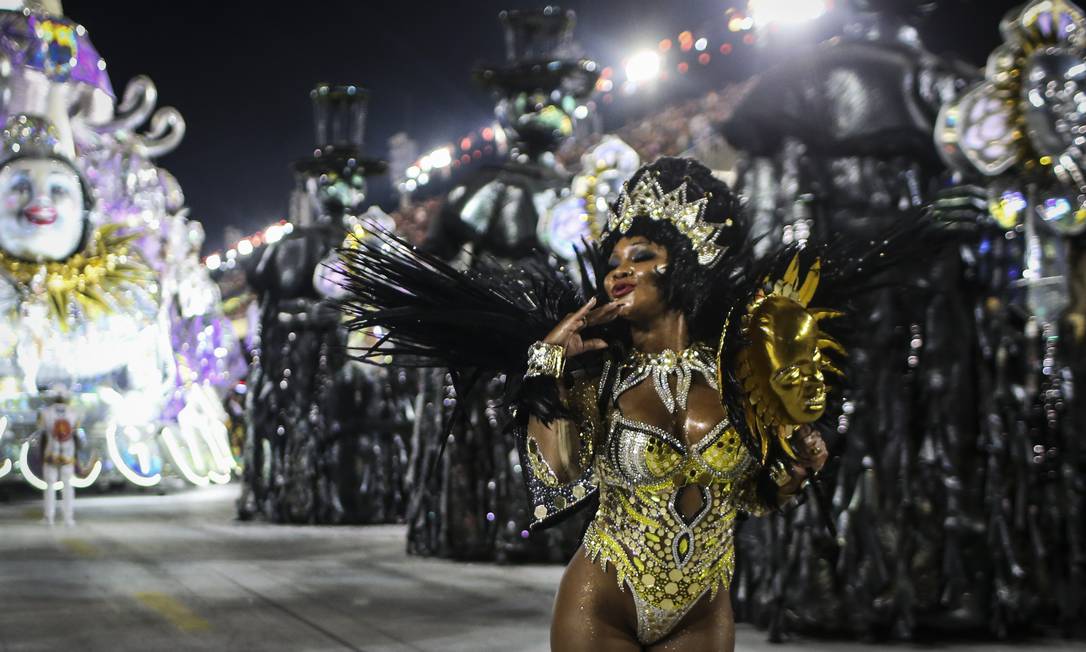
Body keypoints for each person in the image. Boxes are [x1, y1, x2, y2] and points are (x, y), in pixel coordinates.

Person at [338, 156, 923, 650]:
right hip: (603, 600)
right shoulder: (599, 375)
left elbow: (749, 495)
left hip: (705, 606)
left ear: (683, 262)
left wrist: (793, 474)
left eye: (640, 256)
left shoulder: (736, 369)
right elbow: (562, 471)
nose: (621, 271)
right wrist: (547, 366)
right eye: (613, 262)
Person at [39, 385, 78, 526]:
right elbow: (76, 433)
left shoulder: (45, 412)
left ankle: (49, 517)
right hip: (67, 453)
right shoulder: (73, 412)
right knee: (67, 485)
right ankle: (68, 518)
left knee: (50, 485)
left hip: (51, 453)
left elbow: (42, 433)